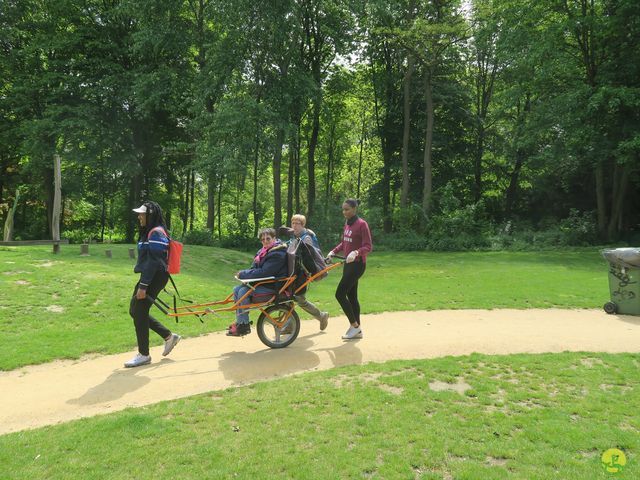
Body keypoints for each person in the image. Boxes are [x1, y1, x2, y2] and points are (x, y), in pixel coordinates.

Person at [125, 201, 181, 368]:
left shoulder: (156, 233)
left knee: (139, 311)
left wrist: (143, 286)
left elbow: (154, 262)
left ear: (150, 215)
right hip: (151, 276)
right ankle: (169, 336)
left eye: (142, 214)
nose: (139, 216)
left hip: (154, 276)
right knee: (135, 310)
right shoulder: (149, 232)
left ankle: (144, 354)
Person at [227, 227, 288, 336]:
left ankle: (244, 326)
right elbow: (254, 268)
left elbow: (265, 272)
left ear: (274, 238)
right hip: (264, 282)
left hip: (274, 286)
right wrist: (244, 273)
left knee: (242, 292)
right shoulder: (263, 251)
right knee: (236, 289)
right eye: (262, 239)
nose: (265, 241)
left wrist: (243, 274)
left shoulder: (278, 253)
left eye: (268, 239)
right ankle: (241, 322)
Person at [327, 198, 372, 340]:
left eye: (347, 209)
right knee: (352, 297)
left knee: (340, 294)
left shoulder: (362, 224)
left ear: (354, 209)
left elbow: (368, 246)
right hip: (348, 264)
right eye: (343, 209)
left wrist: (357, 252)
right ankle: (357, 329)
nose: (344, 212)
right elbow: (344, 242)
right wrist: (333, 252)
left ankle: (354, 326)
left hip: (358, 265)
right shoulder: (347, 223)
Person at [284, 214, 329, 331]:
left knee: (299, 299)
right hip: (294, 272)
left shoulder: (306, 237)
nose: (294, 226)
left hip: (302, 273)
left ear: (302, 225)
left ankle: (321, 316)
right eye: (293, 223)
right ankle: (289, 324)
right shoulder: (294, 236)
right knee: (288, 297)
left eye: (297, 223)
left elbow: (308, 258)